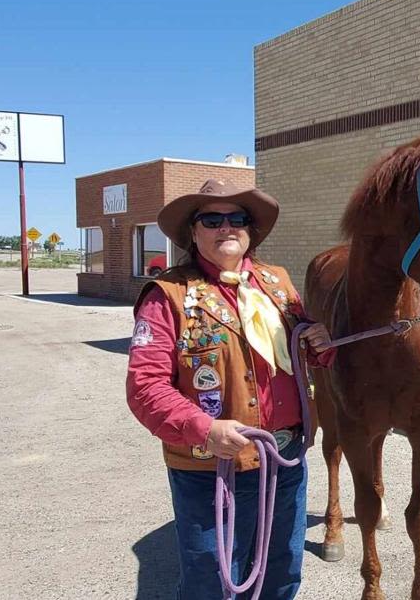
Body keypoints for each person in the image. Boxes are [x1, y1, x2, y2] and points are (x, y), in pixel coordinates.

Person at [126, 178, 334, 600]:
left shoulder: (276, 285)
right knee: (213, 583)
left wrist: (321, 344)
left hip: (285, 460)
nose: (227, 227)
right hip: (210, 471)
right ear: (193, 231)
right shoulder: (167, 295)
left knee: (282, 575)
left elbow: (300, 350)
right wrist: (202, 427)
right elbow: (144, 386)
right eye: (212, 219)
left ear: (250, 229)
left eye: (237, 218)